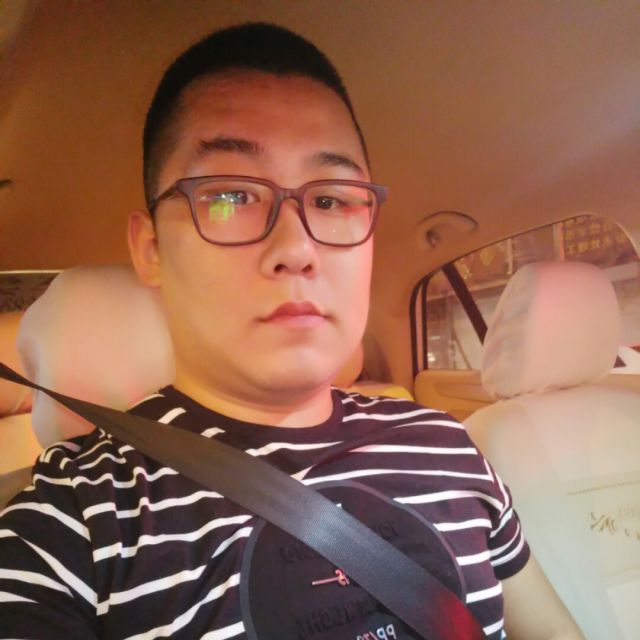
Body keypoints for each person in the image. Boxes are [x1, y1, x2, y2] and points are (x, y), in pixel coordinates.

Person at [0, 23, 582, 640]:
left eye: (330, 200)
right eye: (229, 195)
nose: (297, 248)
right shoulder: (79, 518)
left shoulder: (448, 445)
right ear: (151, 250)